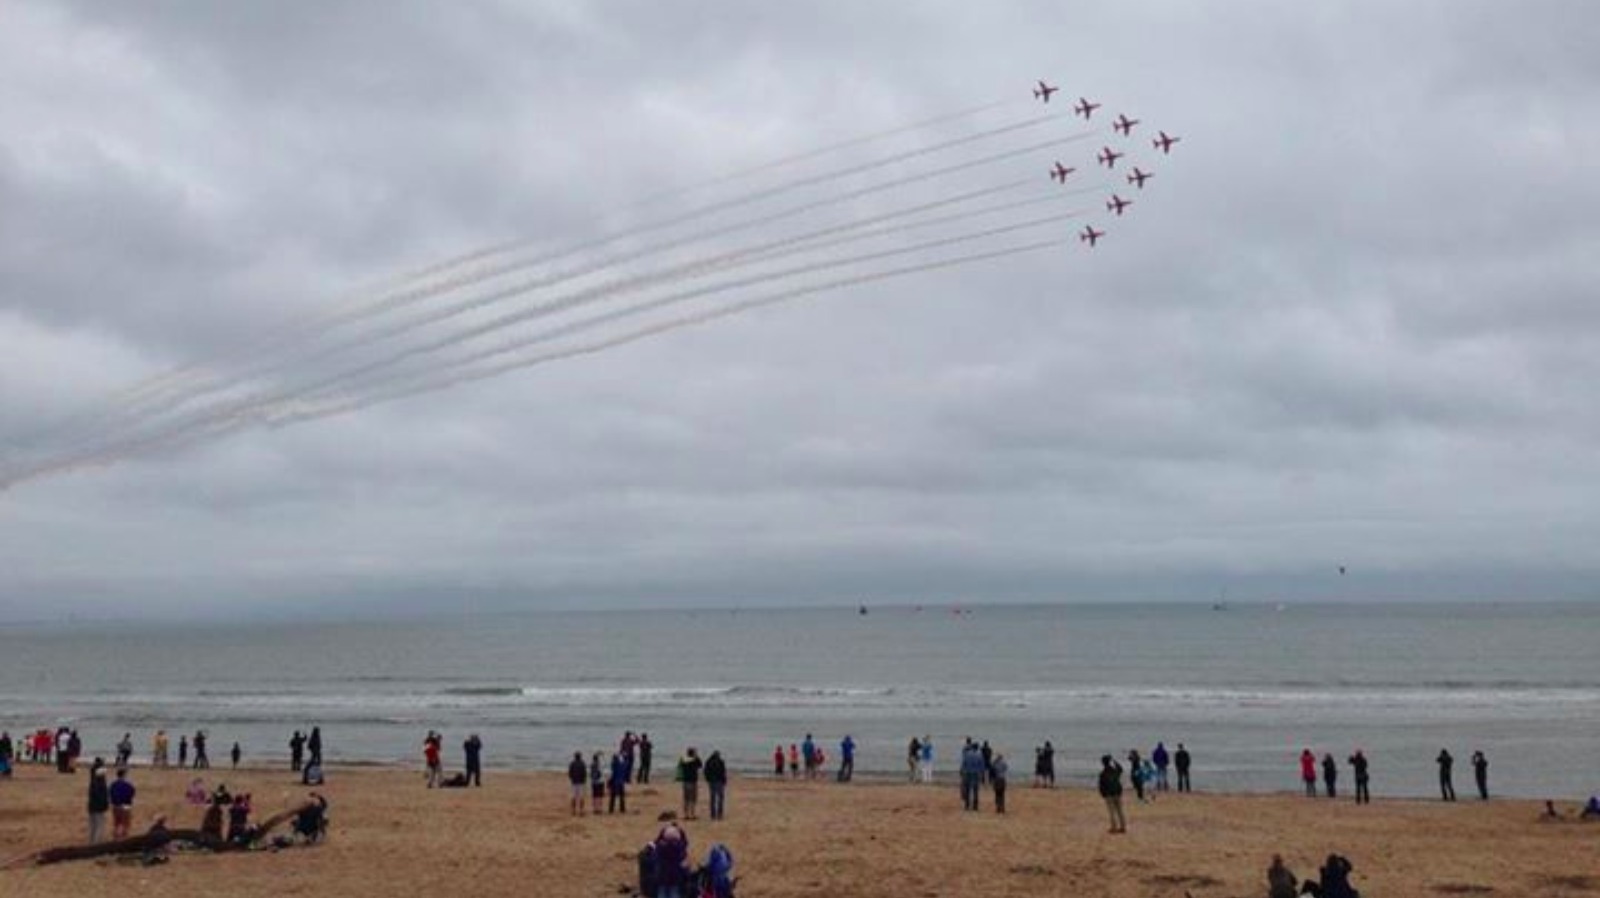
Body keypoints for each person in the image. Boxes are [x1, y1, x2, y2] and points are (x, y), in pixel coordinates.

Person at [653, 822, 689, 898]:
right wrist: (680, 830)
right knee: (674, 893)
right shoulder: (679, 849)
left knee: (662, 893)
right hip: (675, 877)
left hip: (661, 877)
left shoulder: (660, 848)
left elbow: (656, 842)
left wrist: (664, 830)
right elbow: (685, 843)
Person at [1098, 755, 1126, 833]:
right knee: (1120, 810)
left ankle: (1114, 827)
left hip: (1109, 794)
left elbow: (1101, 786)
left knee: (1112, 812)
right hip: (1117, 792)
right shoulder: (1115, 771)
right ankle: (1123, 827)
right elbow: (1121, 769)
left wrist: (1103, 794)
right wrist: (1114, 760)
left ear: (1103, 763)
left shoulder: (1103, 774)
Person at [109, 766, 136, 840]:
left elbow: (110, 794)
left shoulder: (113, 785)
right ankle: (124, 838)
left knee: (117, 823)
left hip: (116, 806)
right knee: (126, 824)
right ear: (124, 775)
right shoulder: (128, 785)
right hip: (125, 806)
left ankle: (116, 837)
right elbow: (132, 793)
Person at [86, 759, 110, 844]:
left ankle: (92, 841)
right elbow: (101, 795)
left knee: (93, 826)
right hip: (98, 806)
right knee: (99, 825)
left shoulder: (93, 780)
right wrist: (105, 804)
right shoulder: (99, 782)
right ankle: (95, 843)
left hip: (92, 806)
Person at [680, 748, 704, 820]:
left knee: (686, 799)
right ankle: (692, 814)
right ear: (693, 754)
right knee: (693, 799)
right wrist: (696, 756)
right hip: (693, 781)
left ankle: (686, 814)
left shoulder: (684, 761)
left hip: (685, 781)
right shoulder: (695, 761)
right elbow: (700, 765)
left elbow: (681, 765)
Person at [959, 741, 983, 811]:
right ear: (977, 748)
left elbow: (963, 765)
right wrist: (981, 775)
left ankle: (967, 805)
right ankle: (975, 806)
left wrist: (961, 772)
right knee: (976, 790)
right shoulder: (979, 756)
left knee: (967, 790)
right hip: (976, 774)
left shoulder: (967, 755)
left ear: (972, 747)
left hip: (967, 774)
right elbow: (982, 767)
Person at [705, 750, 728, 820]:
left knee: (713, 798)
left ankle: (713, 814)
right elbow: (723, 772)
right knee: (720, 798)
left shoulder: (709, 762)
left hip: (713, 781)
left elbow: (706, 772)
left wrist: (708, 779)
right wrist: (724, 780)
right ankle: (719, 814)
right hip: (719, 781)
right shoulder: (720, 762)